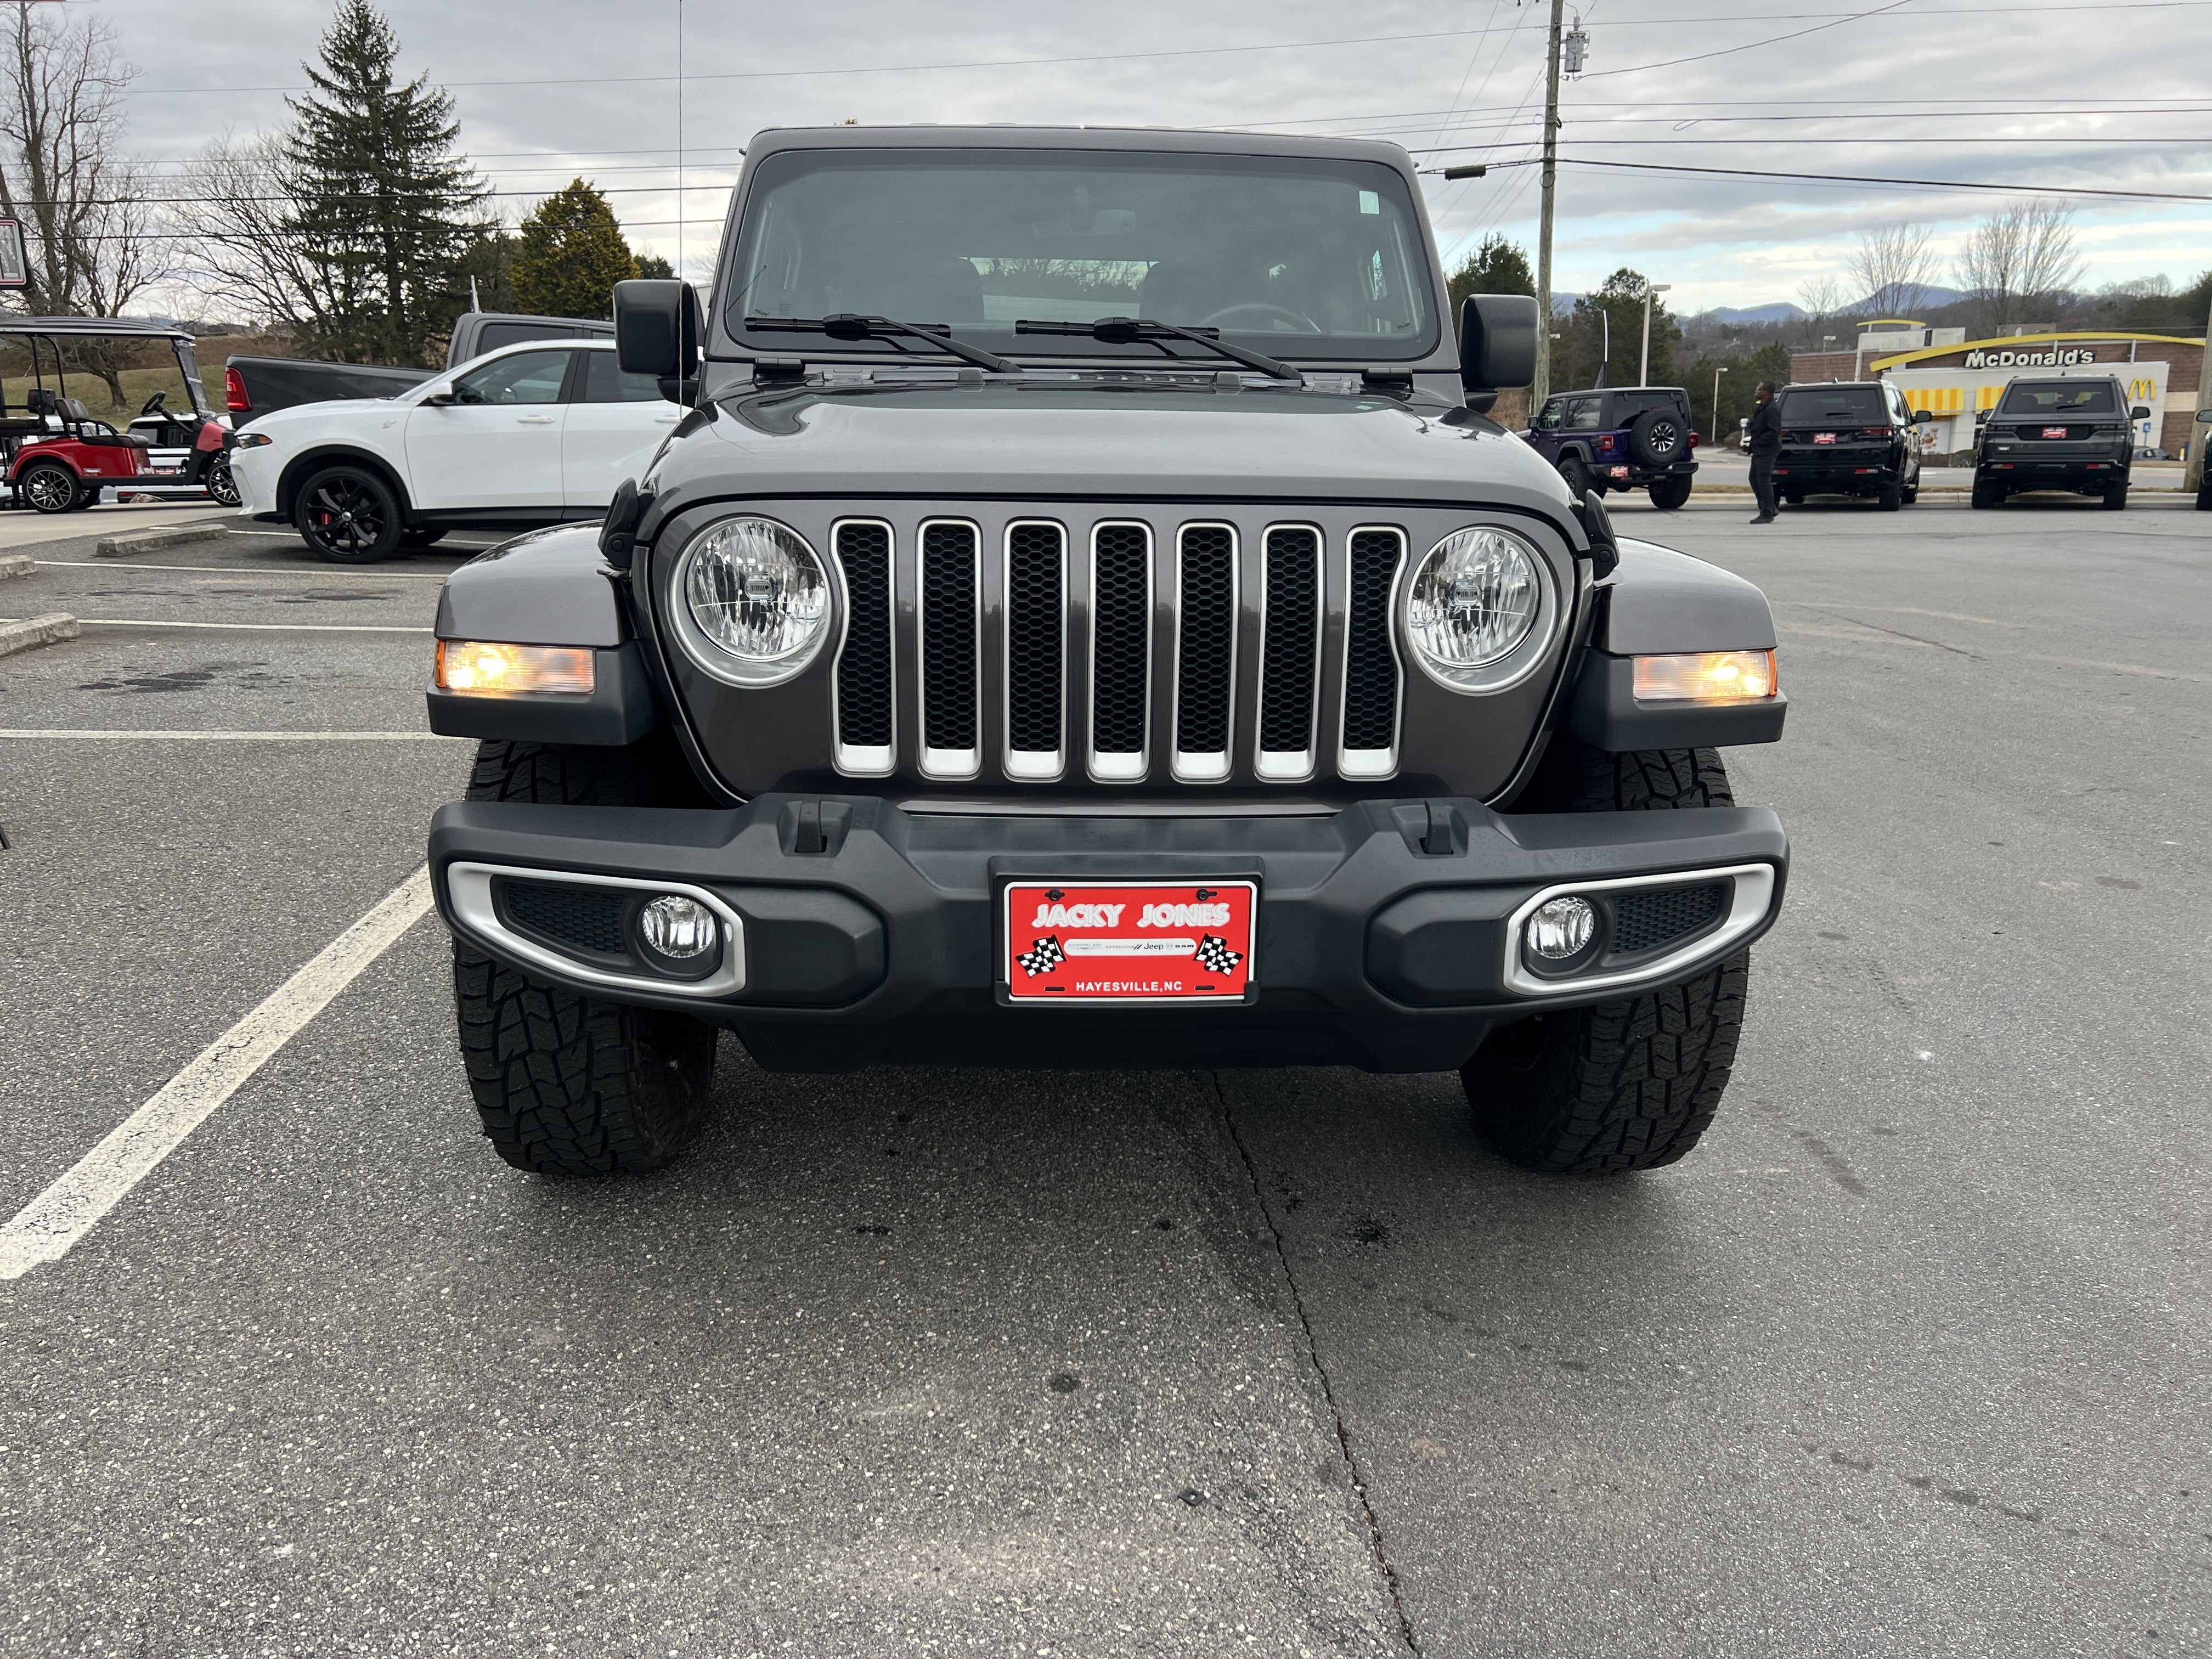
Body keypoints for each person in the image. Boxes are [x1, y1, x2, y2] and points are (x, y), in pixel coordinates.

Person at [1747, 380, 1783, 524]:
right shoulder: (1762, 407)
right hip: (1759, 451)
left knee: (1763, 481)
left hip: (1768, 451)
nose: (1756, 391)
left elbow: (1773, 432)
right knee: (1754, 479)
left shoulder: (1772, 409)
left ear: (1766, 392)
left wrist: (1758, 441)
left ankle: (1767, 513)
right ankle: (1770, 508)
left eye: (1759, 389)